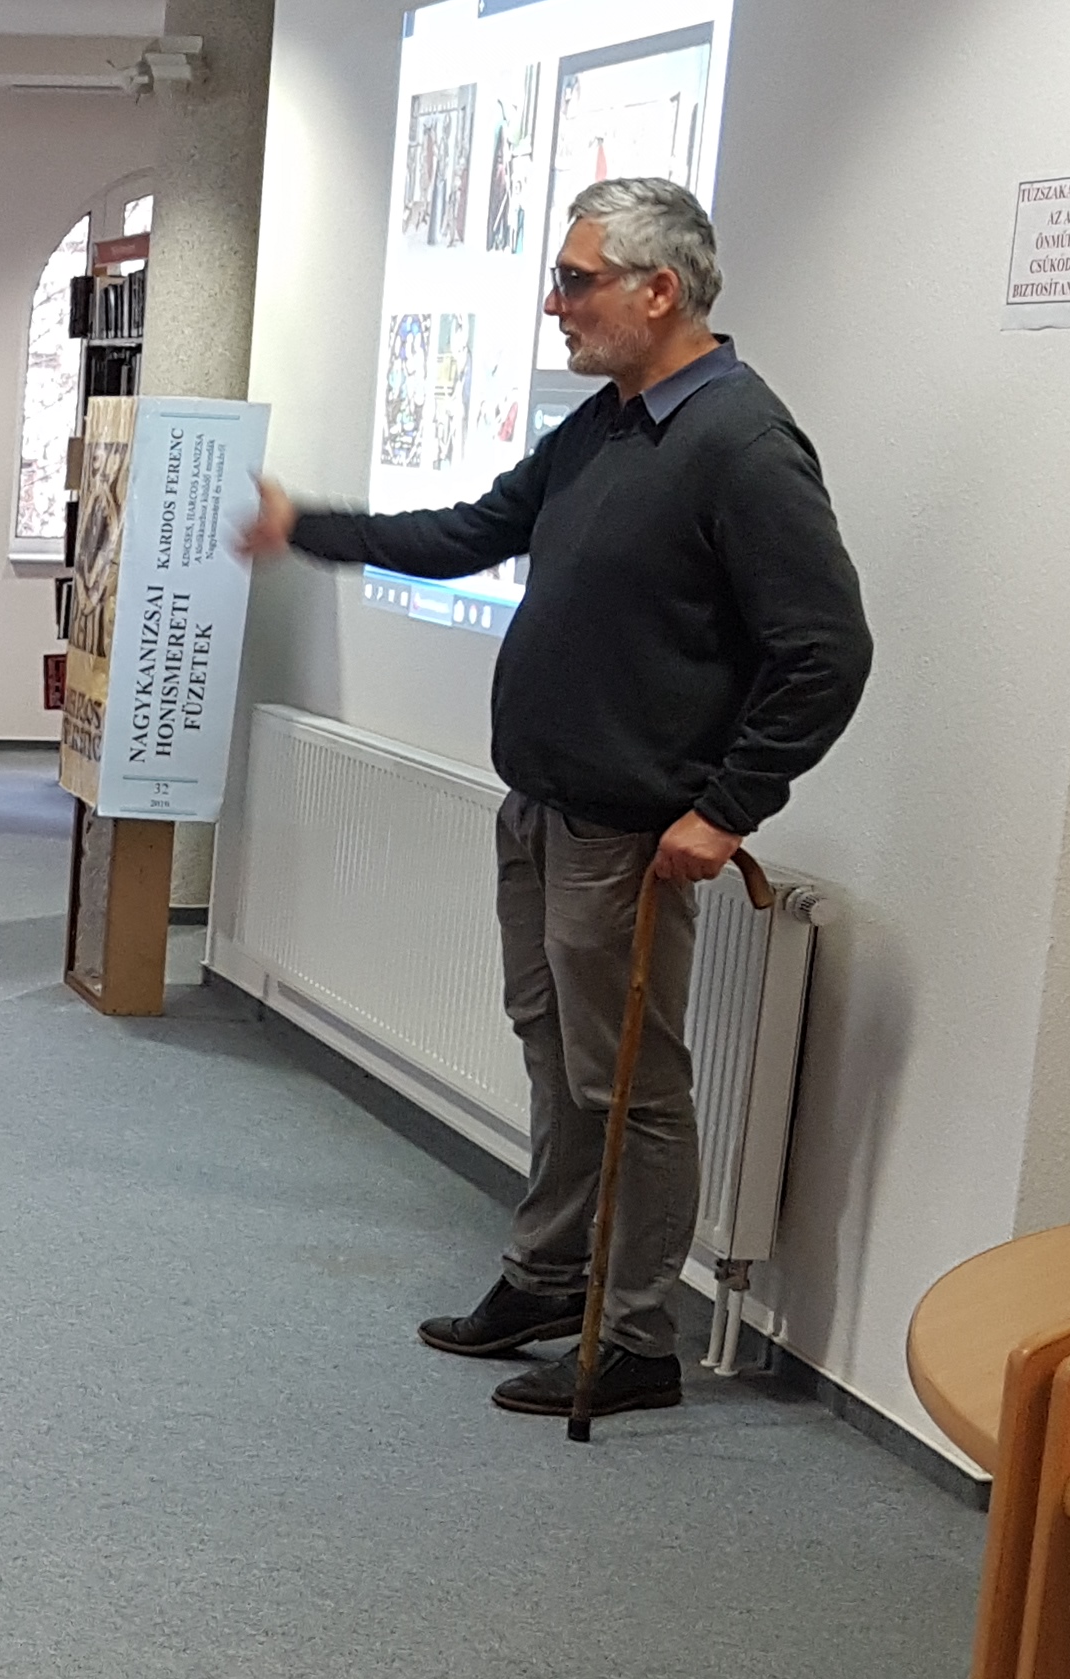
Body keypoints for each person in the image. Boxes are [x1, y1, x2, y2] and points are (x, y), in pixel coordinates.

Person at [237, 175, 873, 1422]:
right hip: (541, 805)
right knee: (555, 1053)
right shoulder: (608, 424)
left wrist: (728, 809)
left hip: (628, 831)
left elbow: (827, 650)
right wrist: (312, 527)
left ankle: (633, 1340)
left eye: (576, 282)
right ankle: (547, 1278)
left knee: (630, 1086)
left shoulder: (742, 444)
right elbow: (478, 530)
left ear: (660, 289)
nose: (554, 305)